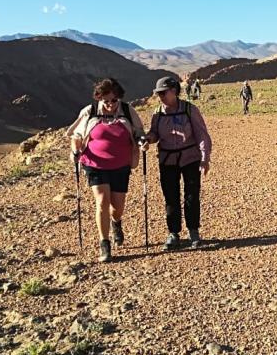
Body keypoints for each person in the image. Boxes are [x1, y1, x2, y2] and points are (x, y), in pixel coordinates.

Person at [67, 78, 144, 262]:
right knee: (102, 201)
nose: (110, 105)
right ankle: (105, 244)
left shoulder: (127, 110)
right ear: (99, 98)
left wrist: (142, 141)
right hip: (94, 164)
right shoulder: (90, 111)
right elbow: (77, 135)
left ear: (119, 98)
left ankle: (116, 223)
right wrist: (75, 149)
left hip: (121, 165)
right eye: (106, 101)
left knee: (117, 208)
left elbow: (139, 132)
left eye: (113, 100)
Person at [141, 76, 212, 250]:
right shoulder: (157, 113)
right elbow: (155, 133)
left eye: (164, 92)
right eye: (159, 93)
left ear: (174, 91)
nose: (161, 96)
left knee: (191, 195)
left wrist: (204, 158)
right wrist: (148, 139)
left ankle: (193, 231)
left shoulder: (189, 109)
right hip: (167, 160)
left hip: (190, 158)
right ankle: (174, 234)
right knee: (170, 197)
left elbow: (202, 134)